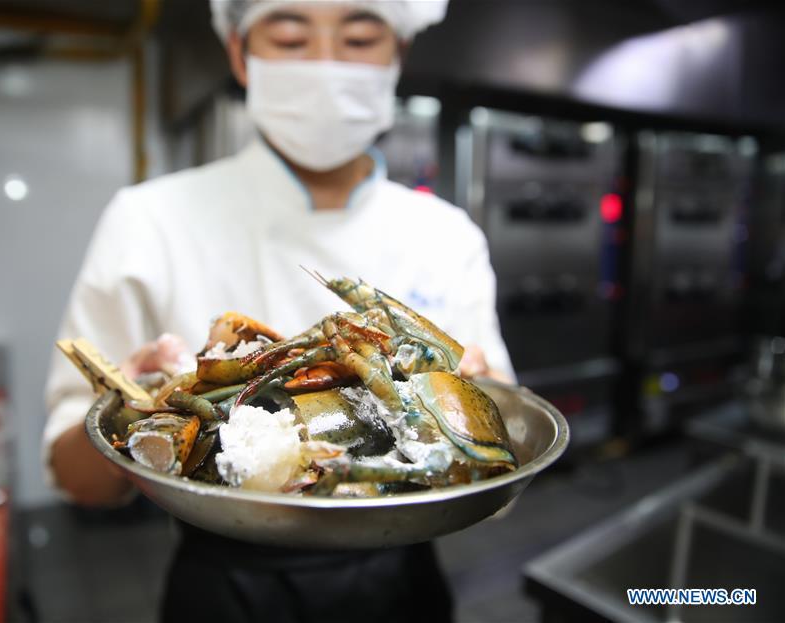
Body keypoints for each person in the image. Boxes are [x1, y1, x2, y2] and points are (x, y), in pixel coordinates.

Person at [44, 1, 515, 621]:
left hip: (400, 580)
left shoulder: (447, 234)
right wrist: (122, 411)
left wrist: (487, 407)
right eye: (292, 37)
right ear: (239, 52)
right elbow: (76, 476)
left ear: (397, 55)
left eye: (358, 37)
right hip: (222, 584)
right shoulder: (147, 220)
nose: (325, 63)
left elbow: (502, 477)